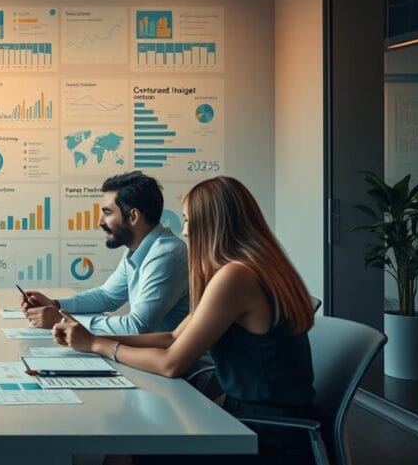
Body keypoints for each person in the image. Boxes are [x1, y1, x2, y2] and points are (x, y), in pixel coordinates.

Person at [53, 176, 317, 465]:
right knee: (133, 435)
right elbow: (171, 338)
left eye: (189, 220)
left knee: (126, 447)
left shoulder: (235, 277)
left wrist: (96, 345)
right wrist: (90, 340)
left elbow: (171, 363)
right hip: (258, 420)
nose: (186, 230)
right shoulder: (254, 268)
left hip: (266, 436)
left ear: (212, 224)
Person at [22, 171, 189, 335]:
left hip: (173, 361)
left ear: (133, 216)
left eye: (108, 212)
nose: (100, 221)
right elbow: (107, 296)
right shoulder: (137, 248)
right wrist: (56, 305)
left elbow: (137, 326)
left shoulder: (167, 253)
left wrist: (62, 321)